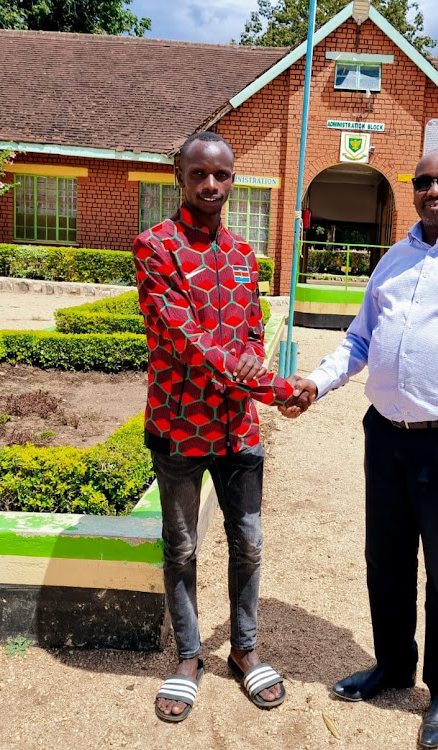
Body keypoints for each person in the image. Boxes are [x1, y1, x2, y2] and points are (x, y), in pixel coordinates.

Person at [283, 149, 438, 747]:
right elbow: (360, 338)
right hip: (386, 437)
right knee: (386, 562)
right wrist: (316, 383)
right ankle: (394, 666)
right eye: (423, 181)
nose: (434, 190)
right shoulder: (395, 258)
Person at [133, 131, 302, 722]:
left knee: (248, 543)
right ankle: (186, 656)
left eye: (222, 175)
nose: (211, 185)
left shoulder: (243, 255)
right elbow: (188, 344)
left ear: (233, 180)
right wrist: (277, 389)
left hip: (237, 429)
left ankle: (244, 649)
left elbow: (252, 332)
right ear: (179, 173)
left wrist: (257, 363)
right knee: (181, 547)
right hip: (179, 427)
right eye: (200, 173)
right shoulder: (156, 247)